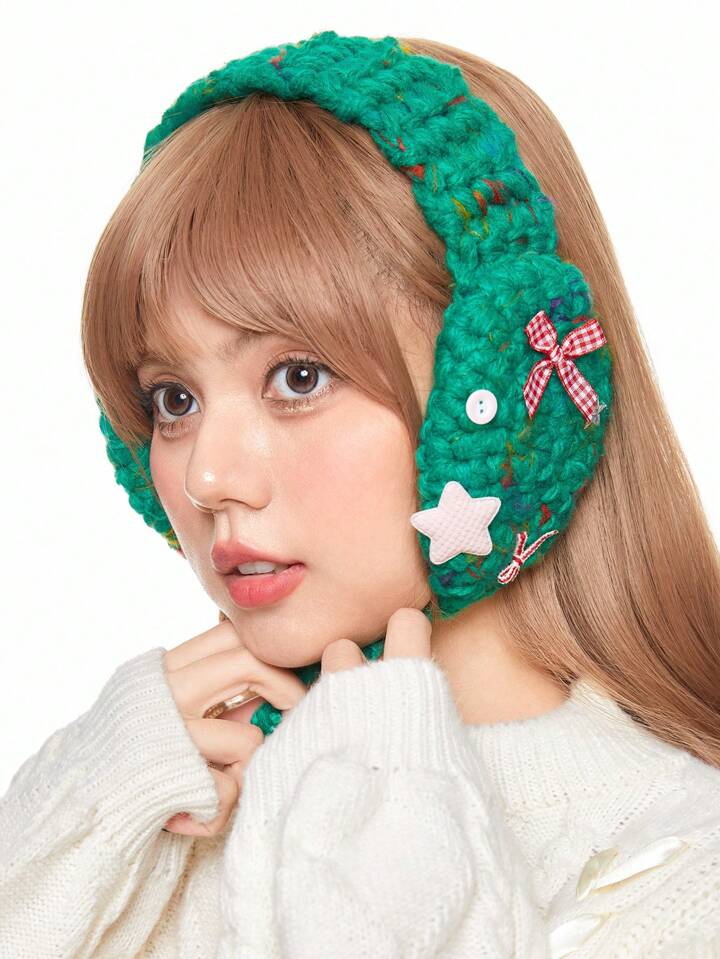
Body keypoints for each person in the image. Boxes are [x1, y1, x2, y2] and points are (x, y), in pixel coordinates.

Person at [2, 29, 719, 959]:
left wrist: (387, 844)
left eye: (297, 377)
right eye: (172, 400)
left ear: (507, 395)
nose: (207, 476)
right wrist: (81, 812)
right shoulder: (158, 814)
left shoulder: (678, 871)